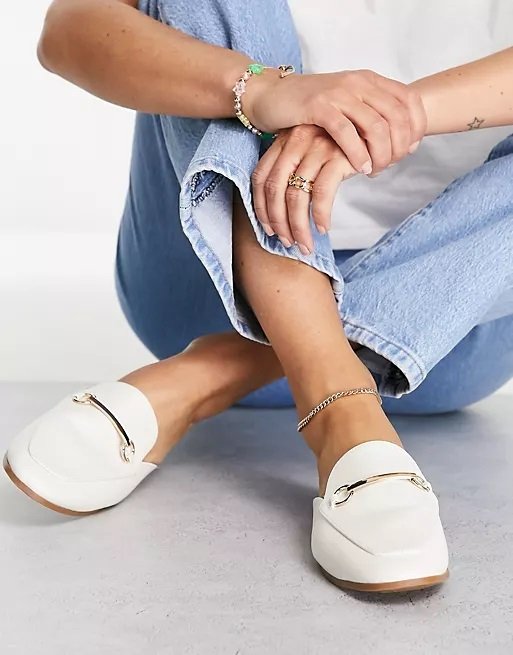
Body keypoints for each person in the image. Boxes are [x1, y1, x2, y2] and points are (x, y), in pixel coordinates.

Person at [4, 0, 513, 593]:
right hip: (208, 273)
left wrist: (382, 119)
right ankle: (339, 407)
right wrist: (262, 93)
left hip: (452, 331)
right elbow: (69, 30)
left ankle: (213, 371)